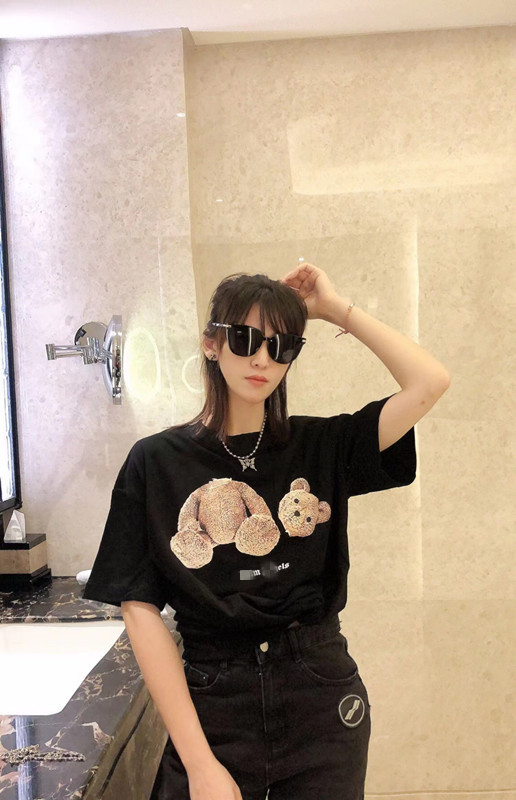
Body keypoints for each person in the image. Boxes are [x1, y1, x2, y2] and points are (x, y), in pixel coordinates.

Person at [83, 262, 450, 800]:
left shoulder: (321, 445)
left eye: (281, 346)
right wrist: (199, 763)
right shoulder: (156, 462)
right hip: (213, 698)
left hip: (319, 696)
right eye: (245, 338)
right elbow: (139, 608)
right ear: (211, 344)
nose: (262, 358)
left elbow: (430, 382)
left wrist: (334, 309)